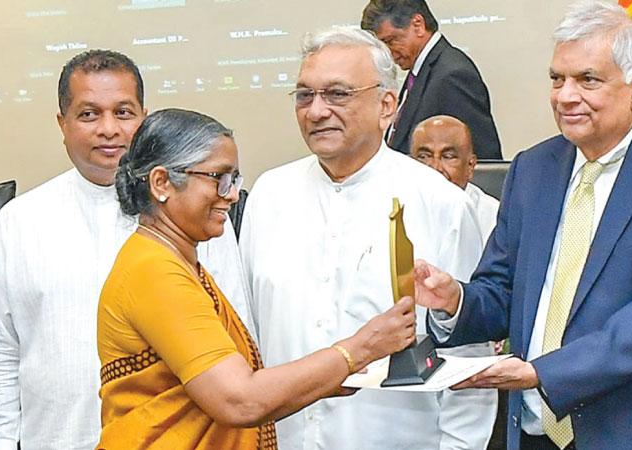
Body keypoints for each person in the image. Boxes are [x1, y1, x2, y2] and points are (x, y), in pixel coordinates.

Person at [414, 2, 632, 449]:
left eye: (587, 79)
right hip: (534, 432)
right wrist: (455, 301)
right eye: (556, 78)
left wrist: (543, 372)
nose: (565, 95)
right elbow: (504, 290)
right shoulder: (532, 168)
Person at [238, 28, 496, 450]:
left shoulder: (441, 202)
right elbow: (249, 332)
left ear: (386, 105)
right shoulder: (270, 194)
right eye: (305, 96)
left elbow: (468, 353)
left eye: (337, 94)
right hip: (286, 436)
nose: (317, 111)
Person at [97, 108, 416, 449]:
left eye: (234, 180)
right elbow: (239, 400)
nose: (232, 195)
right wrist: (361, 347)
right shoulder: (153, 269)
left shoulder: (175, 260)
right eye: (218, 178)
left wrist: (329, 375)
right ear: (162, 183)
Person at [0, 50, 247, 450]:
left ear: (144, 117)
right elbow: (0, 351)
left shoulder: (197, 214)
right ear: (62, 123)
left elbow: (235, 335)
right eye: (89, 114)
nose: (109, 129)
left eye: (123, 113)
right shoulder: (19, 221)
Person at [361, 0, 502, 159]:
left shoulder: (452, 75)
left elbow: (482, 156)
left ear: (418, 25)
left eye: (390, 41)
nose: (387, 53)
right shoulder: (421, 70)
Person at [410, 115, 499, 245]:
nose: (435, 168)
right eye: (424, 157)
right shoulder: (391, 209)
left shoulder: (493, 219)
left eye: (448, 156)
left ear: (470, 166)